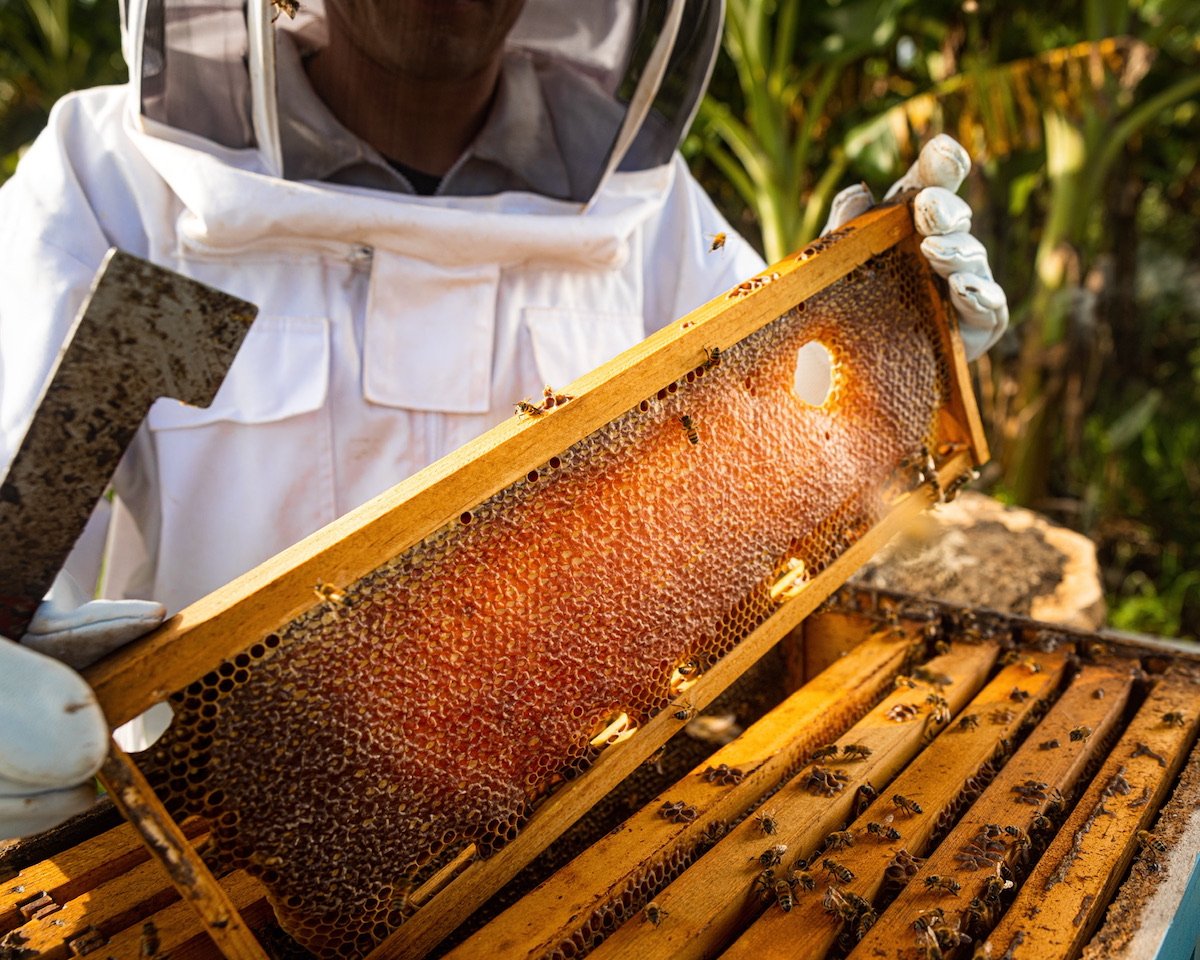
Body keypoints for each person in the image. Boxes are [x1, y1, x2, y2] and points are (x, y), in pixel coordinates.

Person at [0, 0, 1008, 839]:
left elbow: (778, 475)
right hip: (219, 875)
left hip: (586, 857)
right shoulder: (112, 185)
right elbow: (12, 536)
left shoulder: (643, 206)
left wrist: (875, 339)